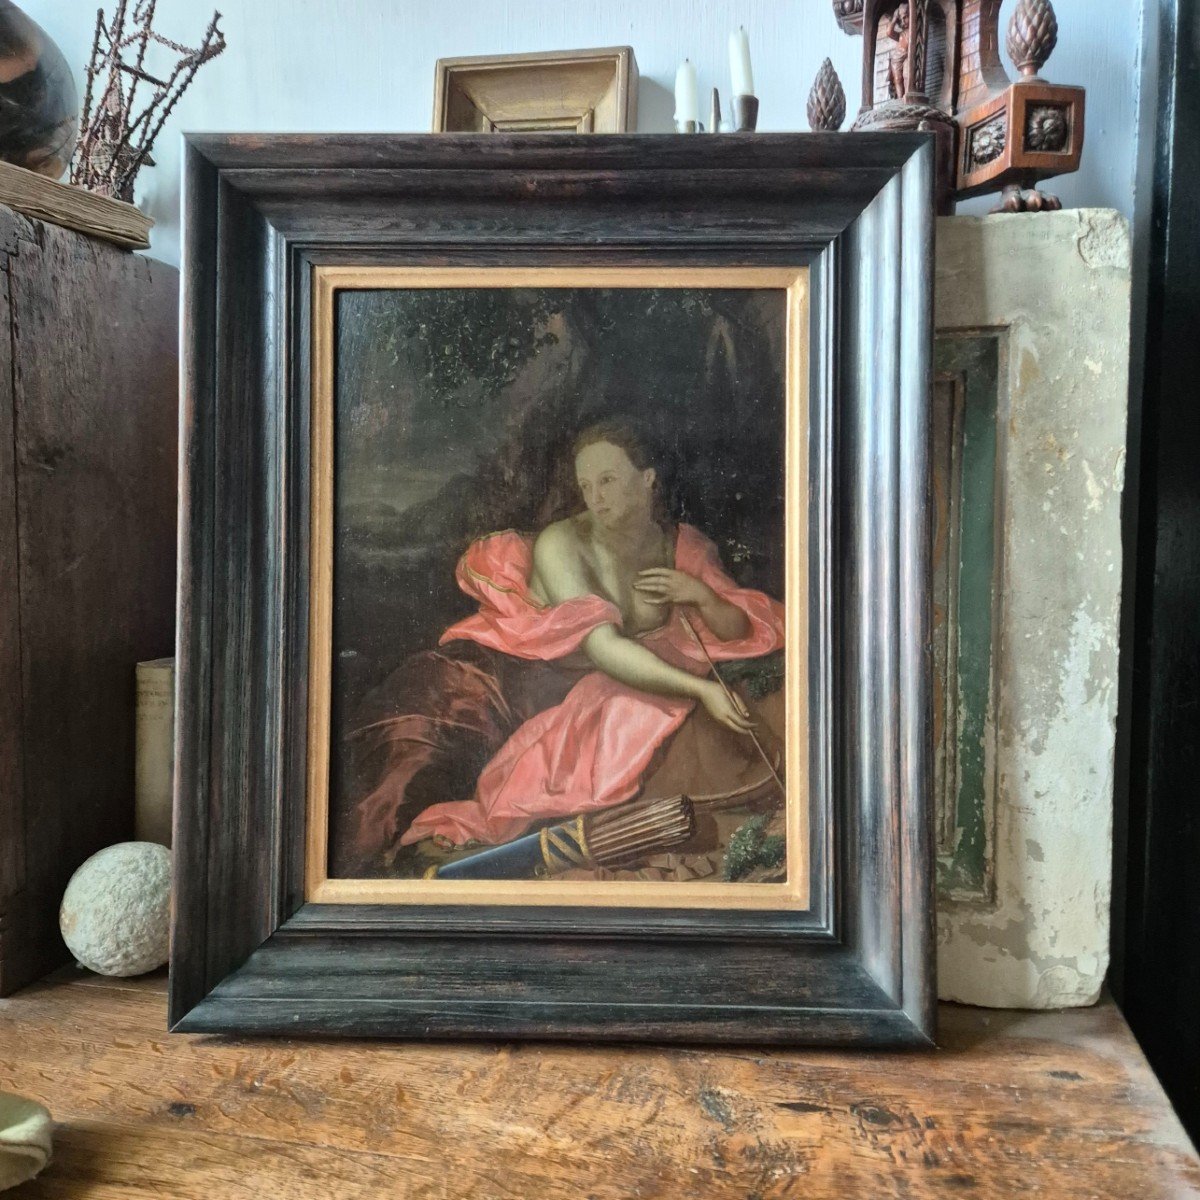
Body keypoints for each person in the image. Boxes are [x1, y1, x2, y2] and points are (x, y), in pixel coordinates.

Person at [344, 420, 785, 864]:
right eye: (586, 485)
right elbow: (604, 648)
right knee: (398, 805)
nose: (595, 497)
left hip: (579, 684)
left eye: (608, 480)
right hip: (487, 685)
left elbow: (738, 630)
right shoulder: (563, 544)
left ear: (647, 479)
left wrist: (702, 595)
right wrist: (702, 689)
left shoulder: (680, 545)